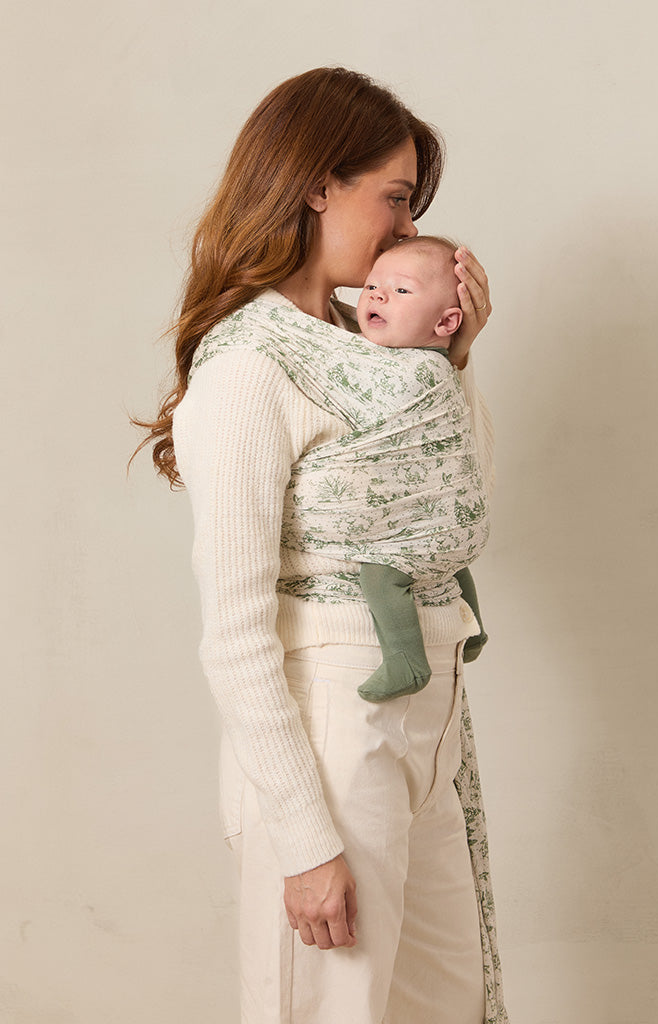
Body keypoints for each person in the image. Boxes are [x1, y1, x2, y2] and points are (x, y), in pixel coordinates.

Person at [132, 67, 507, 1024]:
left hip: (425, 709)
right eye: (393, 197)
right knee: (325, 1012)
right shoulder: (251, 364)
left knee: (445, 1005)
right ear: (316, 184)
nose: (406, 229)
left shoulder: (373, 350)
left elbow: (456, 506)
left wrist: (447, 359)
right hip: (331, 726)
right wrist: (304, 838)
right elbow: (236, 631)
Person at [352, 235, 490, 702]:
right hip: (463, 525)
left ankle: (406, 661)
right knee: (448, 561)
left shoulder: (394, 370)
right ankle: (472, 630)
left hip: (424, 526)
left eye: (401, 291)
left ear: (448, 320)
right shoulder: (444, 365)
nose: (377, 296)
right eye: (372, 287)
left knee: (381, 570)